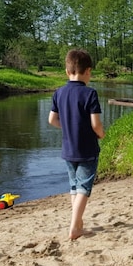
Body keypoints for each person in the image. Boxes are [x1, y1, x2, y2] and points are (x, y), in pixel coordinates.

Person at [49, 48, 105, 240]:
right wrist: (101, 134)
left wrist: (68, 128)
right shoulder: (90, 94)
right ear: (88, 71)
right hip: (87, 148)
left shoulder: (59, 93)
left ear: (67, 71)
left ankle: (78, 223)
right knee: (84, 188)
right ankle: (75, 227)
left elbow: (51, 120)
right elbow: (96, 124)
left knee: (74, 187)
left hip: (68, 148)